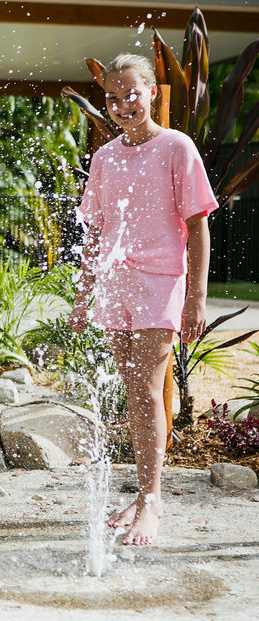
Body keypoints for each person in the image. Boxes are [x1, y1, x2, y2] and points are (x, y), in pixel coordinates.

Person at [68, 53, 218, 546]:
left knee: (149, 389)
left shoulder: (177, 147)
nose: (121, 105)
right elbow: (95, 234)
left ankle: (152, 502)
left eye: (131, 93)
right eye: (112, 97)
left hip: (161, 280)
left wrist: (196, 296)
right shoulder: (105, 157)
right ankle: (141, 493)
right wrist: (82, 295)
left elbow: (197, 227)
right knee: (134, 392)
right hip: (115, 283)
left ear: (152, 92)